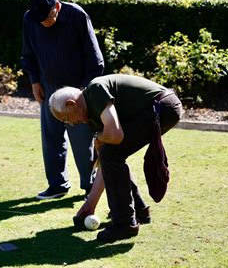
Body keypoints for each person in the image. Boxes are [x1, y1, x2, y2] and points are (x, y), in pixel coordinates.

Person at [49, 74, 182, 242]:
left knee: (112, 154)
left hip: (164, 106)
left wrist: (99, 136)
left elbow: (115, 135)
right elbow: (104, 164)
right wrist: (91, 204)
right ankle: (139, 211)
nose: (72, 124)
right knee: (111, 156)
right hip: (158, 108)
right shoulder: (91, 116)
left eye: (67, 119)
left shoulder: (95, 90)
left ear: (71, 104)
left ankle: (125, 223)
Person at [21, 0, 105, 200]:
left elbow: (96, 61)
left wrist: (83, 93)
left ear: (57, 7)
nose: (43, 23)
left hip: (78, 93)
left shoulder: (77, 15)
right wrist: (34, 81)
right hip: (48, 87)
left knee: (82, 140)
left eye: (47, 18)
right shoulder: (30, 18)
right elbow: (28, 53)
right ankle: (57, 185)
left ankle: (90, 186)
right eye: (39, 19)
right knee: (51, 138)